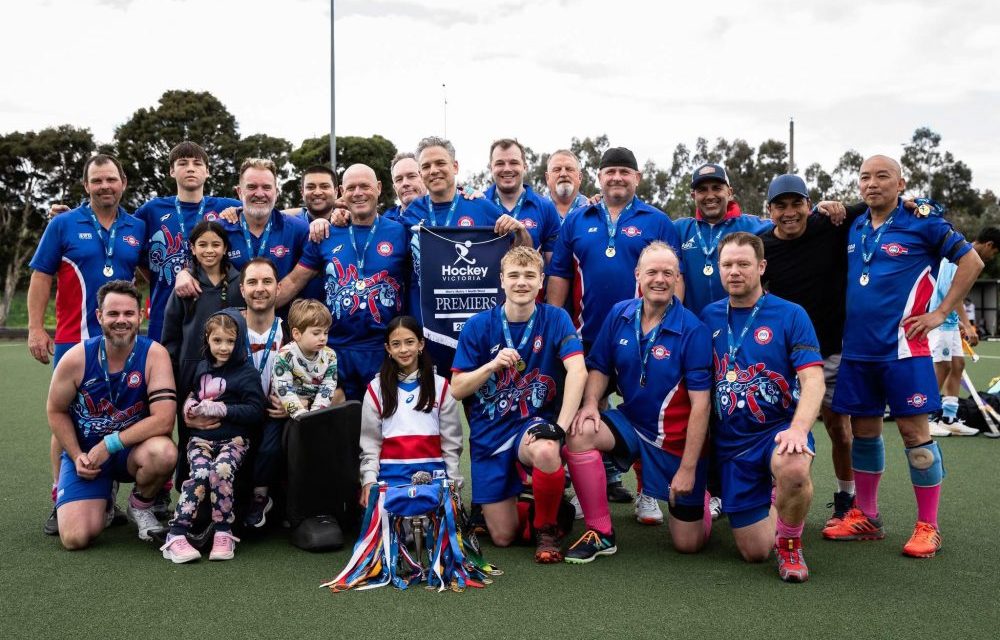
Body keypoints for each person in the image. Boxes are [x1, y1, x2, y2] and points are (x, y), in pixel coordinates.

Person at [824, 155, 984, 559]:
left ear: (901, 184)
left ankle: (928, 525)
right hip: (857, 351)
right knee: (864, 433)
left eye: (883, 176)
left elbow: (973, 261)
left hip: (904, 349)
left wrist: (941, 313)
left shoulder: (923, 221)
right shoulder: (854, 225)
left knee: (916, 436)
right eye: (865, 177)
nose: (872, 183)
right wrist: (825, 206)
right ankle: (867, 516)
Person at [548, 146, 684, 521]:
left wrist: (672, 331)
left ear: (637, 178)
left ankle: (647, 493)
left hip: (645, 340)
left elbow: (675, 278)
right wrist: (556, 328)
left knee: (647, 415)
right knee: (582, 413)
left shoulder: (657, 220)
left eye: (625, 171)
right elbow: (559, 275)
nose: (617, 177)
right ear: (599, 177)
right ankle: (581, 492)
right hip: (586, 339)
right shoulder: (577, 220)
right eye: (610, 171)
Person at [563, 242, 712, 563]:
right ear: (638, 275)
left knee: (688, 544)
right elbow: (600, 366)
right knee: (580, 431)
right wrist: (590, 403)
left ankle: (704, 494)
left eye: (668, 273)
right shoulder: (620, 313)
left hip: (676, 443)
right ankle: (601, 532)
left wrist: (688, 469)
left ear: (678, 278)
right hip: (632, 424)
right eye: (652, 272)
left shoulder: (693, 330)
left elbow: (701, 406)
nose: (659, 279)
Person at [29, 154, 147, 536]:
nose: (104, 186)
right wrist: (35, 327)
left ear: (123, 182)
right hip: (73, 340)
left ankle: (108, 493)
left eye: (111, 179)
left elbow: (150, 272)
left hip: (122, 341)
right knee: (66, 415)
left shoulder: (136, 226)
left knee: (117, 414)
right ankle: (60, 494)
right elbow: (41, 276)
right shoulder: (63, 224)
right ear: (86, 186)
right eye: (97, 180)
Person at [700, 232, 825, 582]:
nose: (734, 271)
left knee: (794, 466)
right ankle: (775, 498)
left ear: (761, 267)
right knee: (755, 552)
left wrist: (798, 429)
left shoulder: (791, 314)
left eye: (743, 264)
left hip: (776, 431)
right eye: (727, 264)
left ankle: (790, 544)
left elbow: (814, 380)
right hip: (731, 445)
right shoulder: (708, 316)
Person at [451, 247, 586, 563]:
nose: (521, 282)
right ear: (501, 280)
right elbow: (457, 389)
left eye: (529, 276)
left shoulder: (556, 318)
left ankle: (546, 528)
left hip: (532, 423)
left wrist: (560, 428)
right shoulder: (478, 325)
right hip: (491, 433)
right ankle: (542, 502)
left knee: (546, 449)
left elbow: (578, 370)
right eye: (513, 275)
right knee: (503, 537)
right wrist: (491, 365)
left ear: (541, 281)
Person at [759, 174, 859, 529]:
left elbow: (881, 206)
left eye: (796, 204)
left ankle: (846, 497)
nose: (789, 212)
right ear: (769, 210)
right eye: (780, 206)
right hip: (783, 358)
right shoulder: (762, 247)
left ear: (809, 205)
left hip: (830, 350)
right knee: (775, 427)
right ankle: (770, 494)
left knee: (839, 428)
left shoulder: (829, 224)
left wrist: (915, 205)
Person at [46, 280, 177, 549]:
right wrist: (77, 455)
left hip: (131, 451)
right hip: (89, 454)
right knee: (75, 538)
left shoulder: (155, 355)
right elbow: (56, 410)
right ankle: (102, 496)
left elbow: (164, 419)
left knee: (164, 453)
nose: (121, 320)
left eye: (129, 313)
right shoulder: (76, 358)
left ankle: (140, 506)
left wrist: (110, 444)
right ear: (99, 316)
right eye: (113, 313)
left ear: (141, 316)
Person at [278, 163, 407, 401]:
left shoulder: (400, 231)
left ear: (379, 188)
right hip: (335, 351)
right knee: (337, 421)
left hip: (384, 351)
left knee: (382, 421)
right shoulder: (325, 234)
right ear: (341, 192)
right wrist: (255, 308)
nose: (358, 193)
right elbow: (295, 281)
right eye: (351, 188)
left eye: (365, 186)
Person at [161, 310, 266, 562]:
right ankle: (176, 533)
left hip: (234, 440)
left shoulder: (247, 373)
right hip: (200, 440)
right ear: (207, 339)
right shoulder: (201, 368)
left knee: (221, 470)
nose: (224, 347)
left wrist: (223, 409)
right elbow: (192, 395)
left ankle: (223, 531)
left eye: (230, 341)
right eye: (217, 340)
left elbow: (256, 410)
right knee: (199, 473)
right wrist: (190, 407)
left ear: (239, 341)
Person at [402, 136, 532, 321]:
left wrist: (520, 232)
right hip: (427, 325)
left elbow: (522, 257)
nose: (434, 170)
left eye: (440, 163)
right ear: (420, 173)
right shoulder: (410, 215)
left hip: (477, 324)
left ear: (455, 167)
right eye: (426, 166)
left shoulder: (482, 207)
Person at [160, 220, 245, 483]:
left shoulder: (239, 283)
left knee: (226, 431)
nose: (209, 250)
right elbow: (171, 336)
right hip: (190, 372)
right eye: (203, 245)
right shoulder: (185, 286)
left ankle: (225, 489)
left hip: (230, 372)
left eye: (216, 244)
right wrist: (172, 374)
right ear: (193, 248)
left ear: (225, 248)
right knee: (192, 431)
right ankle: (189, 490)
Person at [134, 141, 243, 341]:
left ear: (207, 171)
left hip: (215, 317)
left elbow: (267, 214)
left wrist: (309, 215)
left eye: (197, 163)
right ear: (171, 171)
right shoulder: (152, 210)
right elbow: (134, 251)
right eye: (183, 163)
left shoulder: (227, 207)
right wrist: (164, 277)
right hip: (163, 315)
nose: (191, 168)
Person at [173, 158, 309, 301]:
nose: (260, 194)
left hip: (282, 315)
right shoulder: (217, 230)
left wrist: (322, 221)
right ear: (239, 192)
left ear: (276, 192)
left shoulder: (298, 230)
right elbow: (196, 266)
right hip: (228, 314)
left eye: (266, 187)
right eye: (252, 187)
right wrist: (184, 274)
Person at [359, 315, 463, 504]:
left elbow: (451, 445)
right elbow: (370, 445)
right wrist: (369, 481)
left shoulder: (441, 386)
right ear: (388, 349)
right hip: (389, 483)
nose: (403, 349)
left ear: (421, 344)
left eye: (409, 342)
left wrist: (454, 484)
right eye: (396, 344)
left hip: (434, 481)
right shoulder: (375, 389)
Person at [674, 163, 771, 317]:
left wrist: (813, 212)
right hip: (692, 326)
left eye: (717, 188)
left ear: (729, 192)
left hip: (742, 324)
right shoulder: (679, 229)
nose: (710, 195)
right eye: (702, 190)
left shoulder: (752, 225)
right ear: (693, 196)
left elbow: (788, 223)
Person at [238, 258, 288, 528]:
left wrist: (295, 403)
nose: (260, 288)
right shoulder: (228, 329)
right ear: (242, 289)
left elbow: (321, 380)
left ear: (278, 288)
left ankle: (266, 498)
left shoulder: (292, 330)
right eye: (252, 282)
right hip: (239, 412)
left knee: (273, 445)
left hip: (275, 414)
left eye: (267, 281)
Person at [483, 138, 561, 260]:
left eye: (514, 162)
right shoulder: (477, 204)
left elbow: (554, 265)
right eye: (500, 163)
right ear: (490, 168)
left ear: (525, 167)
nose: (507, 169)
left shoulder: (546, 208)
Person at [272, 299, 338, 419]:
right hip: (287, 410)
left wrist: (315, 414)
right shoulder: (284, 356)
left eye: (326, 332)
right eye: (316, 333)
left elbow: (328, 386)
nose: (323, 338)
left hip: (314, 410)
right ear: (297, 334)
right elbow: (283, 388)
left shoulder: (330, 356)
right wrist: (301, 415)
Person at [544, 150, 588, 220]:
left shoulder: (593, 209)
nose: (563, 174)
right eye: (557, 169)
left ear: (580, 177)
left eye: (569, 169)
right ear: (547, 178)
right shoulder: (536, 209)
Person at [383, 152, 426, 222]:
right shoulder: (385, 223)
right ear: (395, 188)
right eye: (399, 179)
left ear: (424, 179)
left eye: (411, 176)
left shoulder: (443, 215)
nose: (405, 183)